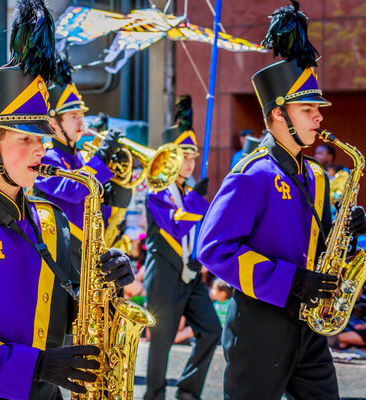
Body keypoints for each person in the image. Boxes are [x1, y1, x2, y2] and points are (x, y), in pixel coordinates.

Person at [0, 1, 134, 398]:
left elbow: (74, 306)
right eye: (26, 139)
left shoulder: (50, 219)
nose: (40, 150)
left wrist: (107, 280)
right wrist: (34, 365)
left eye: (42, 139)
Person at [197, 3, 366, 399]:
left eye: (318, 109)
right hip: (260, 329)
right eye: (307, 110)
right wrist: (290, 281)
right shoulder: (251, 175)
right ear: (277, 115)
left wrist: (346, 231)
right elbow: (213, 248)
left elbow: (314, 243)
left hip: (309, 327)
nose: (319, 118)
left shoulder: (318, 177)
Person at [143, 95, 221, 400]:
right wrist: (196, 200)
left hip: (190, 275)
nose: (191, 163)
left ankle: (187, 392)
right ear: (172, 158)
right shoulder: (156, 190)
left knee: (212, 330)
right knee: (161, 342)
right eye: (185, 156)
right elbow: (175, 226)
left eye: (194, 157)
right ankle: (154, 396)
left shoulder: (189, 191)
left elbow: (197, 232)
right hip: (164, 273)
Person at [34, 53, 131, 267]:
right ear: (54, 123)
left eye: (81, 114)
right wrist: (102, 156)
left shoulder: (84, 158)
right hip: (63, 259)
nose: (81, 121)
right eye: (73, 116)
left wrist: (125, 176)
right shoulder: (44, 160)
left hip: (94, 255)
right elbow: (74, 190)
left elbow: (114, 202)